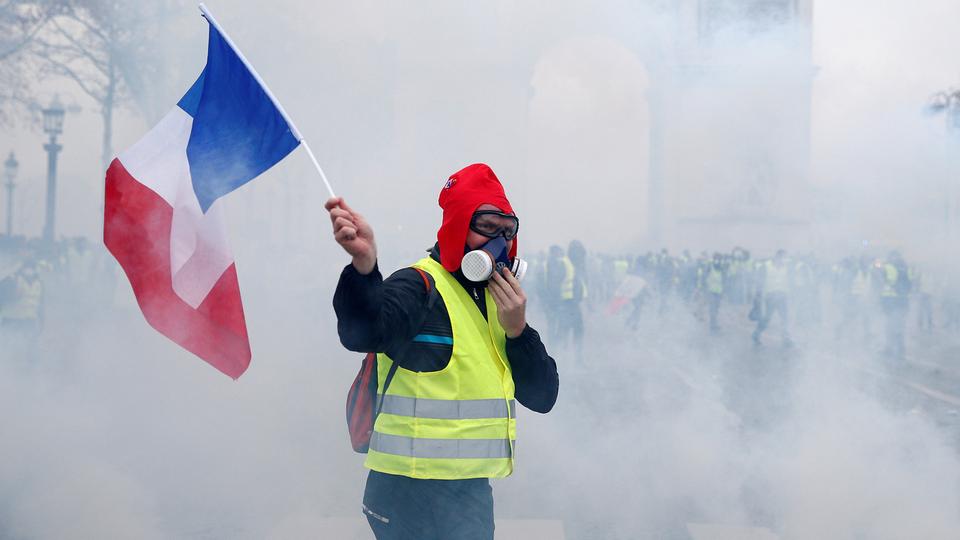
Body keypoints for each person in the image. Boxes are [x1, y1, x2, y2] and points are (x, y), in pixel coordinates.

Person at [327, 163, 559, 540]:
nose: (498, 241)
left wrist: (518, 331)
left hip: (468, 492)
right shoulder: (419, 284)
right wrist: (364, 266)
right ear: (457, 225)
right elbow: (361, 333)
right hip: (408, 493)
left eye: (507, 230)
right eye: (486, 226)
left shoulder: (496, 301)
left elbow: (543, 396)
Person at [752, 249, 793, 347]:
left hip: (782, 296)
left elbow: (789, 281)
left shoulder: (786, 267)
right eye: (783, 258)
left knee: (785, 318)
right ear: (777, 257)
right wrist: (758, 295)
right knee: (767, 318)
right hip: (770, 296)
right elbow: (759, 281)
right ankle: (756, 334)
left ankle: (786, 338)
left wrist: (790, 294)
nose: (784, 260)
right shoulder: (766, 266)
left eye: (785, 258)